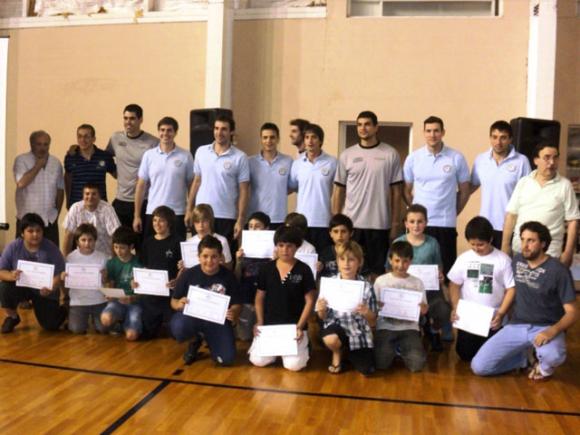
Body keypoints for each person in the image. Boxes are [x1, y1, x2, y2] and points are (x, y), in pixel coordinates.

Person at [472, 221, 579, 381]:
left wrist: (552, 331)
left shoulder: (558, 270)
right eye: (522, 239)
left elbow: (573, 312)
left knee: (554, 355)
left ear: (543, 244)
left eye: (531, 240)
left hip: (546, 327)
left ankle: (543, 368)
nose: (525, 245)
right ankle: (523, 360)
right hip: (517, 325)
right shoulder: (516, 261)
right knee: (479, 367)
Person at [332, 111, 403, 277]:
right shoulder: (347, 155)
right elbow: (338, 190)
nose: (363, 128)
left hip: (380, 225)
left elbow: (397, 192)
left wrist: (395, 224)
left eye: (367, 124)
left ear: (376, 127)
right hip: (352, 225)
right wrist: (337, 221)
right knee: (350, 270)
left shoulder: (390, 154)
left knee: (377, 273)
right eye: (359, 124)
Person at [403, 116, 471, 275]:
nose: (432, 135)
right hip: (419, 225)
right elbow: (406, 190)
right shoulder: (413, 158)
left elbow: (465, 191)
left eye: (436, 131)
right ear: (423, 133)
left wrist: (453, 212)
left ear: (443, 132)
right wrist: (415, 213)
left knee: (444, 271)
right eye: (428, 131)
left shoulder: (456, 157)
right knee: (416, 270)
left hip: (445, 224)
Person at [249, 226, 317, 371]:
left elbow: (310, 301)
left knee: (293, 366)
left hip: (294, 327)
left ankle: (305, 345)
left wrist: (300, 326)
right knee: (258, 361)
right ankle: (277, 352)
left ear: (297, 247)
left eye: (289, 246)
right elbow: (259, 298)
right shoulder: (266, 269)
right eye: (281, 245)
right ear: (276, 246)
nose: (285, 250)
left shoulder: (304, 270)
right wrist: (259, 322)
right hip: (270, 326)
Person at [448, 217, 515, 362]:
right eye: (472, 244)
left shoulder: (503, 260)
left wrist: (501, 313)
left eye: (480, 244)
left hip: (492, 318)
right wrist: (455, 307)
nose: (476, 248)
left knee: (492, 355)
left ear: (490, 239)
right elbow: (454, 284)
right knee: (465, 354)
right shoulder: (464, 259)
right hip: (469, 318)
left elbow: (511, 289)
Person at [502, 142, 580, 267]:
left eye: (555, 158)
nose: (552, 162)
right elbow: (511, 215)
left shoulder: (565, 185)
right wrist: (505, 246)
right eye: (547, 157)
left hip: (550, 252)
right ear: (536, 160)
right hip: (521, 250)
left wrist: (568, 252)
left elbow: (573, 220)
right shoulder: (524, 182)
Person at [170, 235, 242, 366]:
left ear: (220, 257)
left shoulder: (229, 277)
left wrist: (234, 312)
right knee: (178, 326)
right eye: (205, 256)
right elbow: (173, 301)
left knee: (227, 359)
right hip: (193, 319)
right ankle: (195, 339)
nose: (209, 261)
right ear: (198, 256)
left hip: (217, 322)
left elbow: (237, 303)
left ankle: (211, 340)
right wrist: (179, 304)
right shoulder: (188, 274)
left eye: (214, 257)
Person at [391, 204, 451, 351]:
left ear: (426, 222)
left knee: (444, 309)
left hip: (430, 291)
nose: (416, 225)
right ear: (406, 223)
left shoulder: (433, 243)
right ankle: (418, 328)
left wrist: (440, 276)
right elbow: (390, 269)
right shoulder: (398, 243)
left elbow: (439, 266)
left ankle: (433, 330)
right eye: (412, 221)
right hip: (406, 291)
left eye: (420, 221)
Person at [186, 115, 250, 246]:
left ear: (231, 132)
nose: (219, 132)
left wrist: (240, 219)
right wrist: (189, 209)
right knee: (200, 254)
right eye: (216, 128)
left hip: (226, 216)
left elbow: (243, 190)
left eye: (224, 129)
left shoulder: (240, 157)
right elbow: (196, 181)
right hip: (202, 215)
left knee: (225, 255)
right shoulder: (201, 151)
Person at [316, 241, 377, 375]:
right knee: (330, 338)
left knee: (366, 370)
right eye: (342, 259)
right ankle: (337, 353)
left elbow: (373, 320)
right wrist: (321, 310)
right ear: (337, 262)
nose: (346, 264)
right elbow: (322, 317)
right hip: (336, 328)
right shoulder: (329, 284)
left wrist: (366, 312)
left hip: (359, 332)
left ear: (359, 262)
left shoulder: (366, 286)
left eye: (351, 260)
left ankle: (349, 352)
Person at [0, 213, 66, 333]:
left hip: (44, 291)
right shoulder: (13, 247)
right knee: (4, 287)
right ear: (22, 233)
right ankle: (12, 316)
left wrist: (51, 287)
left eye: (38, 231)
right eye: (30, 231)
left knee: (51, 325)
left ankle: (65, 309)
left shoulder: (51, 248)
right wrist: (11, 275)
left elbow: (60, 273)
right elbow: (1, 271)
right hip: (22, 287)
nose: (35, 234)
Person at [471, 121, 531, 249]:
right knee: (486, 262)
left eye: (503, 138)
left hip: (511, 226)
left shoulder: (522, 161)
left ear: (510, 139)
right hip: (485, 226)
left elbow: (528, 195)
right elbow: (470, 186)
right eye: (494, 137)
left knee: (507, 261)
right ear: (490, 138)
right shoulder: (480, 160)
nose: (498, 142)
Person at [134, 116, 194, 241]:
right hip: (153, 213)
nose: (165, 133)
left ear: (175, 133)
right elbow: (141, 186)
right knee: (152, 248)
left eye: (169, 130)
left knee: (176, 250)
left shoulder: (185, 156)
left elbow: (191, 185)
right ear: (158, 132)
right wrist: (137, 215)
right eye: (162, 130)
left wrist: (190, 210)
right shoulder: (149, 155)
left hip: (177, 213)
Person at [374, 241, 428, 372]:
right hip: (386, 326)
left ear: (411, 261)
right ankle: (394, 349)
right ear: (390, 260)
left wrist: (423, 309)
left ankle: (401, 348)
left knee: (417, 365)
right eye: (397, 260)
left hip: (409, 328)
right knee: (380, 364)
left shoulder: (417, 282)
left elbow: (424, 308)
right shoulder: (381, 281)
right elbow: (373, 307)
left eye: (405, 261)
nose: (400, 265)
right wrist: (378, 305)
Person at [106, 104, 158, 231]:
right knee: (121, 240)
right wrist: (115, 172)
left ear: (141, 120)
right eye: (125, 118)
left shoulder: (152, 143)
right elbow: (105, 157)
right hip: (121, 200)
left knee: (141, 241)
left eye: (132, 118)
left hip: (144, 201)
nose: (128, 122)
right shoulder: (115, 138)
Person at [289, 123, 337, 253]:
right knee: (302, 258)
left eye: (314, 137)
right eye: (307, 137)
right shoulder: (297, 164)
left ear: (320, 141)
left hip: (324, 221)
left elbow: (340, 190)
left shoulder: (332, 162)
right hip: (301, 222)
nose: (310, 141)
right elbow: (292, 187)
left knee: (322, 258)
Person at [137, 206, 183, 339]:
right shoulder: (148, 242)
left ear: (169, 223)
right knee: (146, 334)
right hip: (151, 294)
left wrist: (177, 280)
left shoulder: (177, 242)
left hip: (170, 293)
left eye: (161, 220)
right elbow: (144, 267)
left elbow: (183, 268)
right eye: (154, 220)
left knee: (175, 334)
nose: (157, 224)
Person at [13, 130, 64, 246]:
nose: (43, 148)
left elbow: (60, 190)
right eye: (39, 144)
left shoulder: (56, 163)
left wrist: (56, 213)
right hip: (27, 221)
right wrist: (38, 165)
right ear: (31, 144)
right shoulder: (21, 160)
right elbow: (21, 183)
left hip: (49, 220)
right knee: (24, 255)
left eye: (46, 144)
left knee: (51, 255)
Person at [61, 223, 108, 334]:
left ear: (95, 241)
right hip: (78, 301)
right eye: (83, 240)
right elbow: (66, 284)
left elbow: (106, 282)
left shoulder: (102, 257)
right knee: (77, 329)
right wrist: (64, 277)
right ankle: (73, 317)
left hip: (98, 300)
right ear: (77, 242)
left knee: (104, 329)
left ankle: (96, 320)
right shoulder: (70, 258)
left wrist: (105, 277)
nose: (87, 243)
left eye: (90, 240)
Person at [100, 227, 143, 341]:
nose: (118, 251)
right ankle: (120, 322)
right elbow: (111, 283)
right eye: (116, 247)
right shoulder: (111, 263)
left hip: (135, 303)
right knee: (105, 319)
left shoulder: (139, 263)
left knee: (131, 336)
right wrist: (109, 293)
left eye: (122, 248)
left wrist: (133, 298)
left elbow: (144, 292)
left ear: (131, 247)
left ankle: (126, 324)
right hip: (117, 301)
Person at [234, 211, 272, 341]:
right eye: (250, 226)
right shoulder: (244, 248)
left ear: (266, 229)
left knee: (264, 334)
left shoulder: (275, 249)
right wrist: (238, 261)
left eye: (257, 226)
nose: (253, 229)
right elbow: (237, 277)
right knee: (244, 336)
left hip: (267, 293)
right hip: (247, 292)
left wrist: (276, 261)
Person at [248, 123, 293, 228]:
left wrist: (278, 191)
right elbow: (244, 187)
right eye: (265, 137)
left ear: (278, 139)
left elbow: (292, 186)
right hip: (256, 219)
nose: (268, 141)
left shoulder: (288, 161)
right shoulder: (250, 161)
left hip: (279, 217)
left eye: (272, 137)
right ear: (261, 139)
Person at [64, 124, 116, 209]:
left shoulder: (104, 156)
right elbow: (68, 180)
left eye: (86, 137)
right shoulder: (70, 157)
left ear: (93, 139)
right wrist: (68, 202)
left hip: (100, 206)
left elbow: (117, 175)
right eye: (79, 136)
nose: (82, 140)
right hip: (78, 206)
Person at [62, 183, 121, 257]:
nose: (90, 197)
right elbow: (68, 236)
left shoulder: (107, 209)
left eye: (94, 194)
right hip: (82, 256)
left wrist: (114, 261)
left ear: (99, 196)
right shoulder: (75, 208)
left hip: (104, 256)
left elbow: (115, 236)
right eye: (87, 194)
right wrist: (65, 259)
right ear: (83, 196)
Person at [184, 204, 233, 269]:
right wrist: (183, 266)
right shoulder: (189, 242)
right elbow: (188, 269)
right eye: (197, 221)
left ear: (210, 221)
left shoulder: (222, 240)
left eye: (204, 221)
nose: (201, 225)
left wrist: (223, 264)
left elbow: (229, 266)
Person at [319, 213, 354, 278]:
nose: (339, 235)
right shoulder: (325, 253)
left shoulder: (356, 252)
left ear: (351, 233)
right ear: (330, 234)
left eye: (343, 231)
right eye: (335, 231)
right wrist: (318, 269)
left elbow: (366, 276)